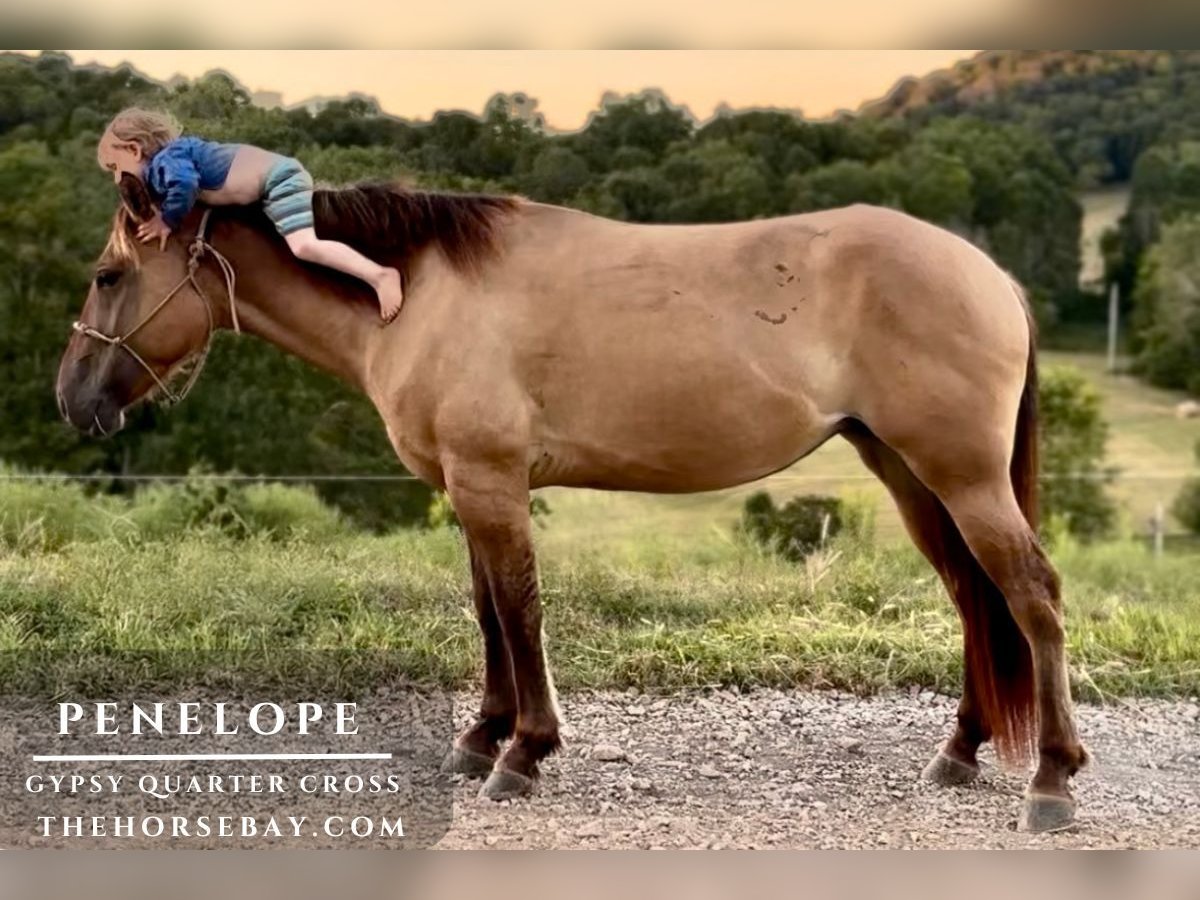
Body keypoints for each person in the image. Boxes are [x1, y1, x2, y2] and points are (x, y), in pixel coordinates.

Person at [97, 108, 404, 322]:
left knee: (303, 246)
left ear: (134, 150)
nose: (116, 178)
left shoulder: (168, 161)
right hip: (267, 189)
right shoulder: (167, 167)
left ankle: (380, 276)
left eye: (114, 167)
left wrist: (166, 221)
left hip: (279, 179)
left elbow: (186, 186)